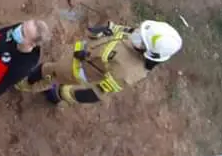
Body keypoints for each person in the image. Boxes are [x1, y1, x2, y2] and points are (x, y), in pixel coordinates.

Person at [21, 20, 183, 105]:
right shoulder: (140, 38)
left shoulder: (127, 71)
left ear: (148, 52)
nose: (136, 34)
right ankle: (53, 91)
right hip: (82, 58)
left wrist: (66, 93)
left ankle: (27, 85)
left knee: (48, 71)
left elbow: (95, 93)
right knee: (55, 78)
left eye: (141, 38)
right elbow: (121, 31)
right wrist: (106, 30)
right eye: (140, 32)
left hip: (76, 71)